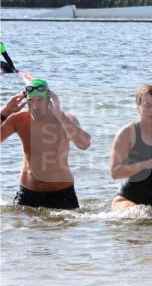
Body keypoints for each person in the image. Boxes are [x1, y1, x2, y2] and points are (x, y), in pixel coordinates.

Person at [1, 79, 91, 209]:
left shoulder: (65, 118)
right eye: (31, 100)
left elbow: (84, 144)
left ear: (49, 99)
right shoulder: (18, 119)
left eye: (40, 100)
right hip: (27, 193)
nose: (35, 106)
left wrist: (59, 115)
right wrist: (4, 113)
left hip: (61, 193)